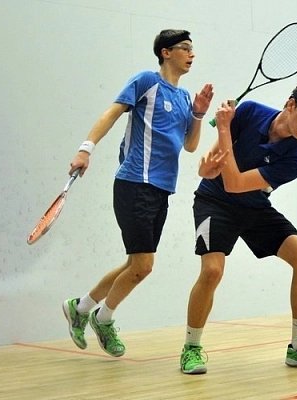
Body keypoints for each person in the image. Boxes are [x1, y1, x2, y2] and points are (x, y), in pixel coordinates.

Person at [62, 29, 214, 357]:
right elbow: (112, 112)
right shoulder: (146, 81)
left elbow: (190, 146)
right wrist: (85, 149)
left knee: (134, 264)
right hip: (135, 184)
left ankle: (81, 306)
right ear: (165, 52)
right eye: (185, 48)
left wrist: (199, 114)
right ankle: (103, 318)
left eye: (193, 49)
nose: (192, 54)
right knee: (143, 266)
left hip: (161, 190)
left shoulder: (185, 97)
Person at [180, 80, 297, 374]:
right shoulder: (250, 112)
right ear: (291, 104)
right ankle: (191, 348)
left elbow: (236, 183)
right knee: (212, 270)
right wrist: (209, 163)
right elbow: (206, 169)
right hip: (213, 202)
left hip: (253, 206)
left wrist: (225, 129)